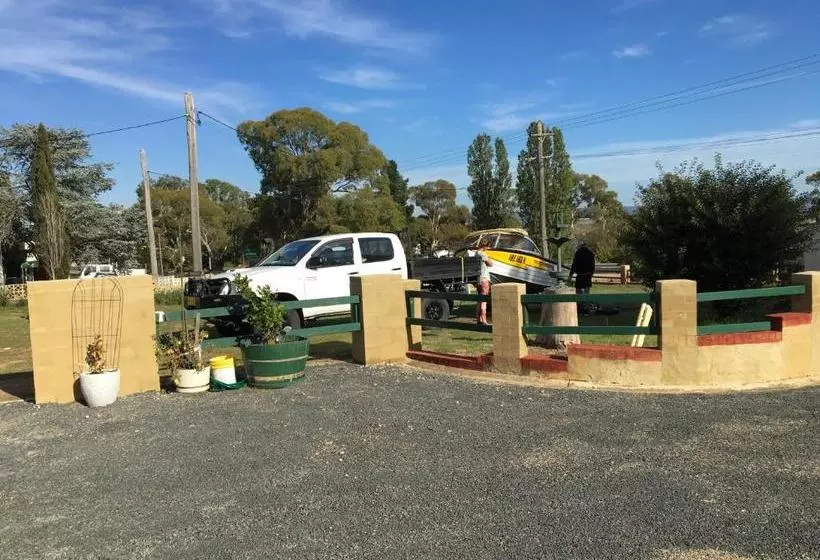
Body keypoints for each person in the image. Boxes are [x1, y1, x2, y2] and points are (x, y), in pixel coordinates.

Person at [569, 242, 595, 313]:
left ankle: (580, 307)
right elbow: (593, 266)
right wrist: (591, 274)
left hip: (580, 276)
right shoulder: (590, 253)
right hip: (587, 276)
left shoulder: (578, 253)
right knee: (586, 292)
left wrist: (570, 275)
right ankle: (585, 306)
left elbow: (574, 265)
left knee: (579, 293)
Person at [475, 239, 493, 326]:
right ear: (485, 246)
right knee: (484, 301)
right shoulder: (482, 254)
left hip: (478, 280)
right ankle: (485, 321)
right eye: (488, 246)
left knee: (479, 301)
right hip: (484, 279)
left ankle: (478, 320)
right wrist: (488, 258)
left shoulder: (475, 253)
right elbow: (491, 263)